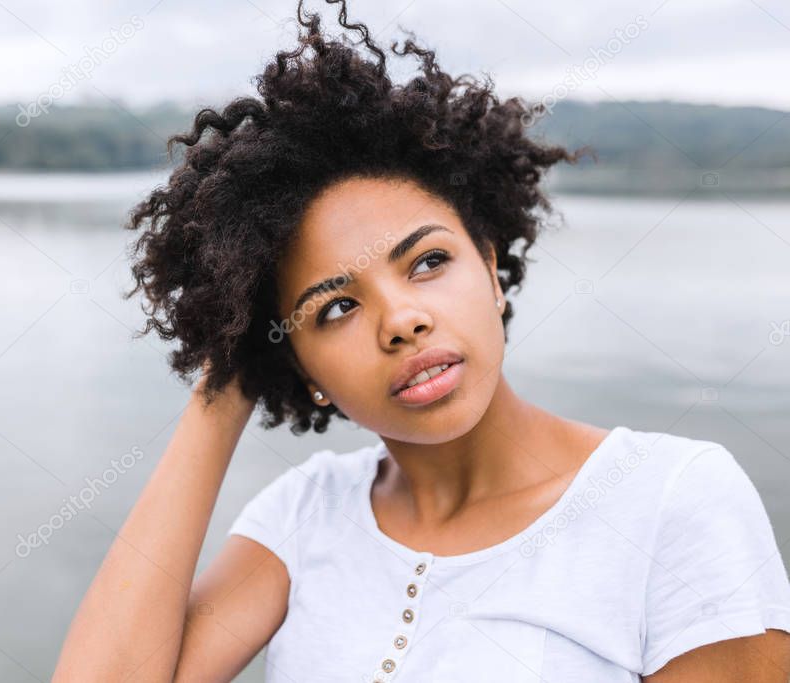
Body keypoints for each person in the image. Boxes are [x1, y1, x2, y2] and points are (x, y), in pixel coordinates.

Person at [51, 1, 790, 680]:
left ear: (491, 270)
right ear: (298, 363)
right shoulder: (304, 514)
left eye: (428, 261)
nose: (400, 320)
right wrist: (224, 388)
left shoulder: (669, 498)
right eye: (334, 308)